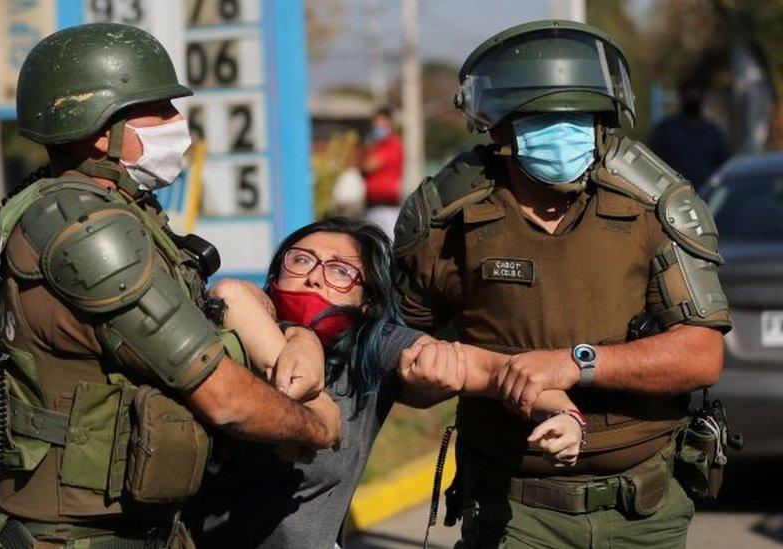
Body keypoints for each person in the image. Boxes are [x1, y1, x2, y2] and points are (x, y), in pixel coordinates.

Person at [0, 23, 341, 549]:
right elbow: (224, 398)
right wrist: (315, 425)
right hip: (80, 534)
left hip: (117, 525)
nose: (178, 123)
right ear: (100, 131)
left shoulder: (67, 207)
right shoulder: (87, 232)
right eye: (161, 110)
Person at [394, 20, 731, 549]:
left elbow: (701, 353)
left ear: (604, 122)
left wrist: (577, 362)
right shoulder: (447, 217)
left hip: (645, 509)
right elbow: (401, 349)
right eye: (542, 118)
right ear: (501, 127)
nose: (563, 133)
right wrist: (427, 379)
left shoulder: (654, 207)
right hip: (512, 508)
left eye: (578, 117)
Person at [185, 217, 586, 549]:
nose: (314, 278)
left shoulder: (373, 346)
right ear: (275, 275)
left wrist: (564, 413)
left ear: (367, 300)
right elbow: (232, 293)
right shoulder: (232, 328)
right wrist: (299, 347)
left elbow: (501, 372)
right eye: (301, 260)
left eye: (341, 271)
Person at [650, 79, 730, 189]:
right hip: (674, 193)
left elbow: (723, 166)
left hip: (705, 194)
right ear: (681, 97)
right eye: (689, 95)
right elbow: (654, 163)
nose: (692, 98)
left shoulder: (712, 132)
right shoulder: (666, 130)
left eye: (696, 94)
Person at [362, 107, 404, 239]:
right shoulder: (376, 145)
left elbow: (369, 166)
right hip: (372, 205)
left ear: (390, 123)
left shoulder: (392, 144)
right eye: (375, 124)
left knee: (389, 244)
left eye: (380, 123)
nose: (377, 127)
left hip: (387, 206)